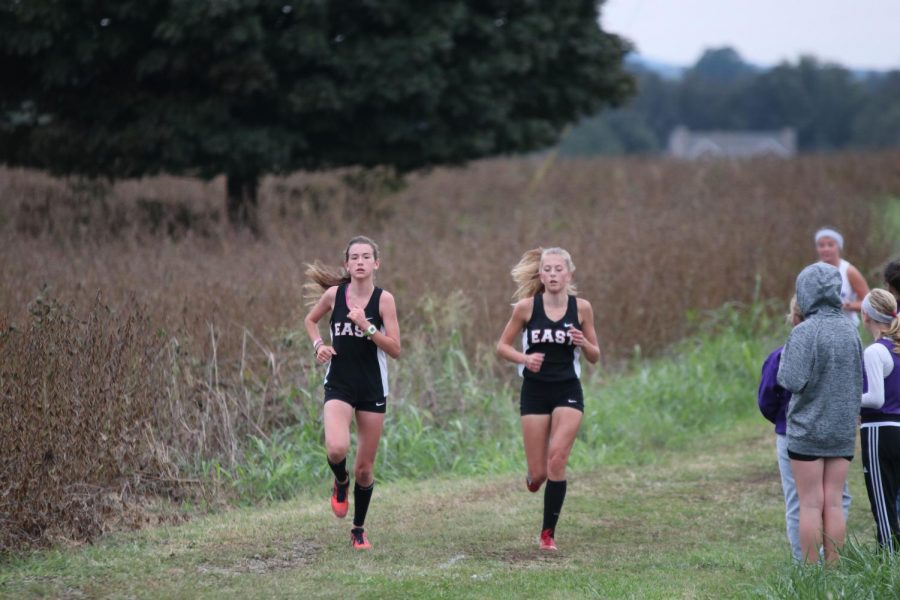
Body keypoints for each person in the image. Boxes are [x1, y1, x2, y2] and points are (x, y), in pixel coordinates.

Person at [496, 247, 601, 551]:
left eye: (559, 269)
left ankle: (547, 534)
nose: (553, 275)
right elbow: (502, 347)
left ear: (569, 273)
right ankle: (533, 477)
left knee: (557, 458)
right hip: (535, 391)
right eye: (548, 269)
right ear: (540, 274)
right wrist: (524, 358)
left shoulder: (582, 309)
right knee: (539, 472)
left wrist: (584, 342)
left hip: (568, 389)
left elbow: (595, 356)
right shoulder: (526, 308)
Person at [303, 236, 401, 550]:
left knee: (364, 468)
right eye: (354, 257)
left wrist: (367, 327)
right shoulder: (335, 295)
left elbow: (396, 349)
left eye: (365, 257)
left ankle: (358, 529)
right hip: (340, 383)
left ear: (376, 263)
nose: (359, 262)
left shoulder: (384, 300)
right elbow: (310, 320)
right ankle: (340, 481)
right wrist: (319, 346)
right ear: (347, 264)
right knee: (335, 449)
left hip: (372, 386)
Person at [777, 262, 863, 564]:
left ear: (806, 292)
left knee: (811, 505)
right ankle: (834, 573)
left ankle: (811, 575)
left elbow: (790, 381)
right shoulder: (851, 332)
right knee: (835, 504)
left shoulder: (804, 332)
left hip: (808, 429)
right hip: (841, 429)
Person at [758, 296, 851, 562]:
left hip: (793, 434)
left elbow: (766, 398)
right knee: (837, 497)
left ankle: (804, 564)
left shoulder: (780, 355)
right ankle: (832, 558)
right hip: (834, 430)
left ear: (794, 318)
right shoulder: (838, 353)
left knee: (799, 500)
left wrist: (783, 419)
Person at [859, 289, 900, 552]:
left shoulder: (876, 351)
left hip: (879, 431)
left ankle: (889, 559)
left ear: (866, 317)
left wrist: (845, 397)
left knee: (883, 501)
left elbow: (875, 398)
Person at [814, 227, 869, 325]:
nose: (826, 249)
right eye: (821, 245)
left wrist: (848, 306)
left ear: (839, 247)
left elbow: (869, 302)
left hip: (846, 327)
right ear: (817, 248)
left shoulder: (849, 271)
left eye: (830, 245)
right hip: (820, 328)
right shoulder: (812, 271)